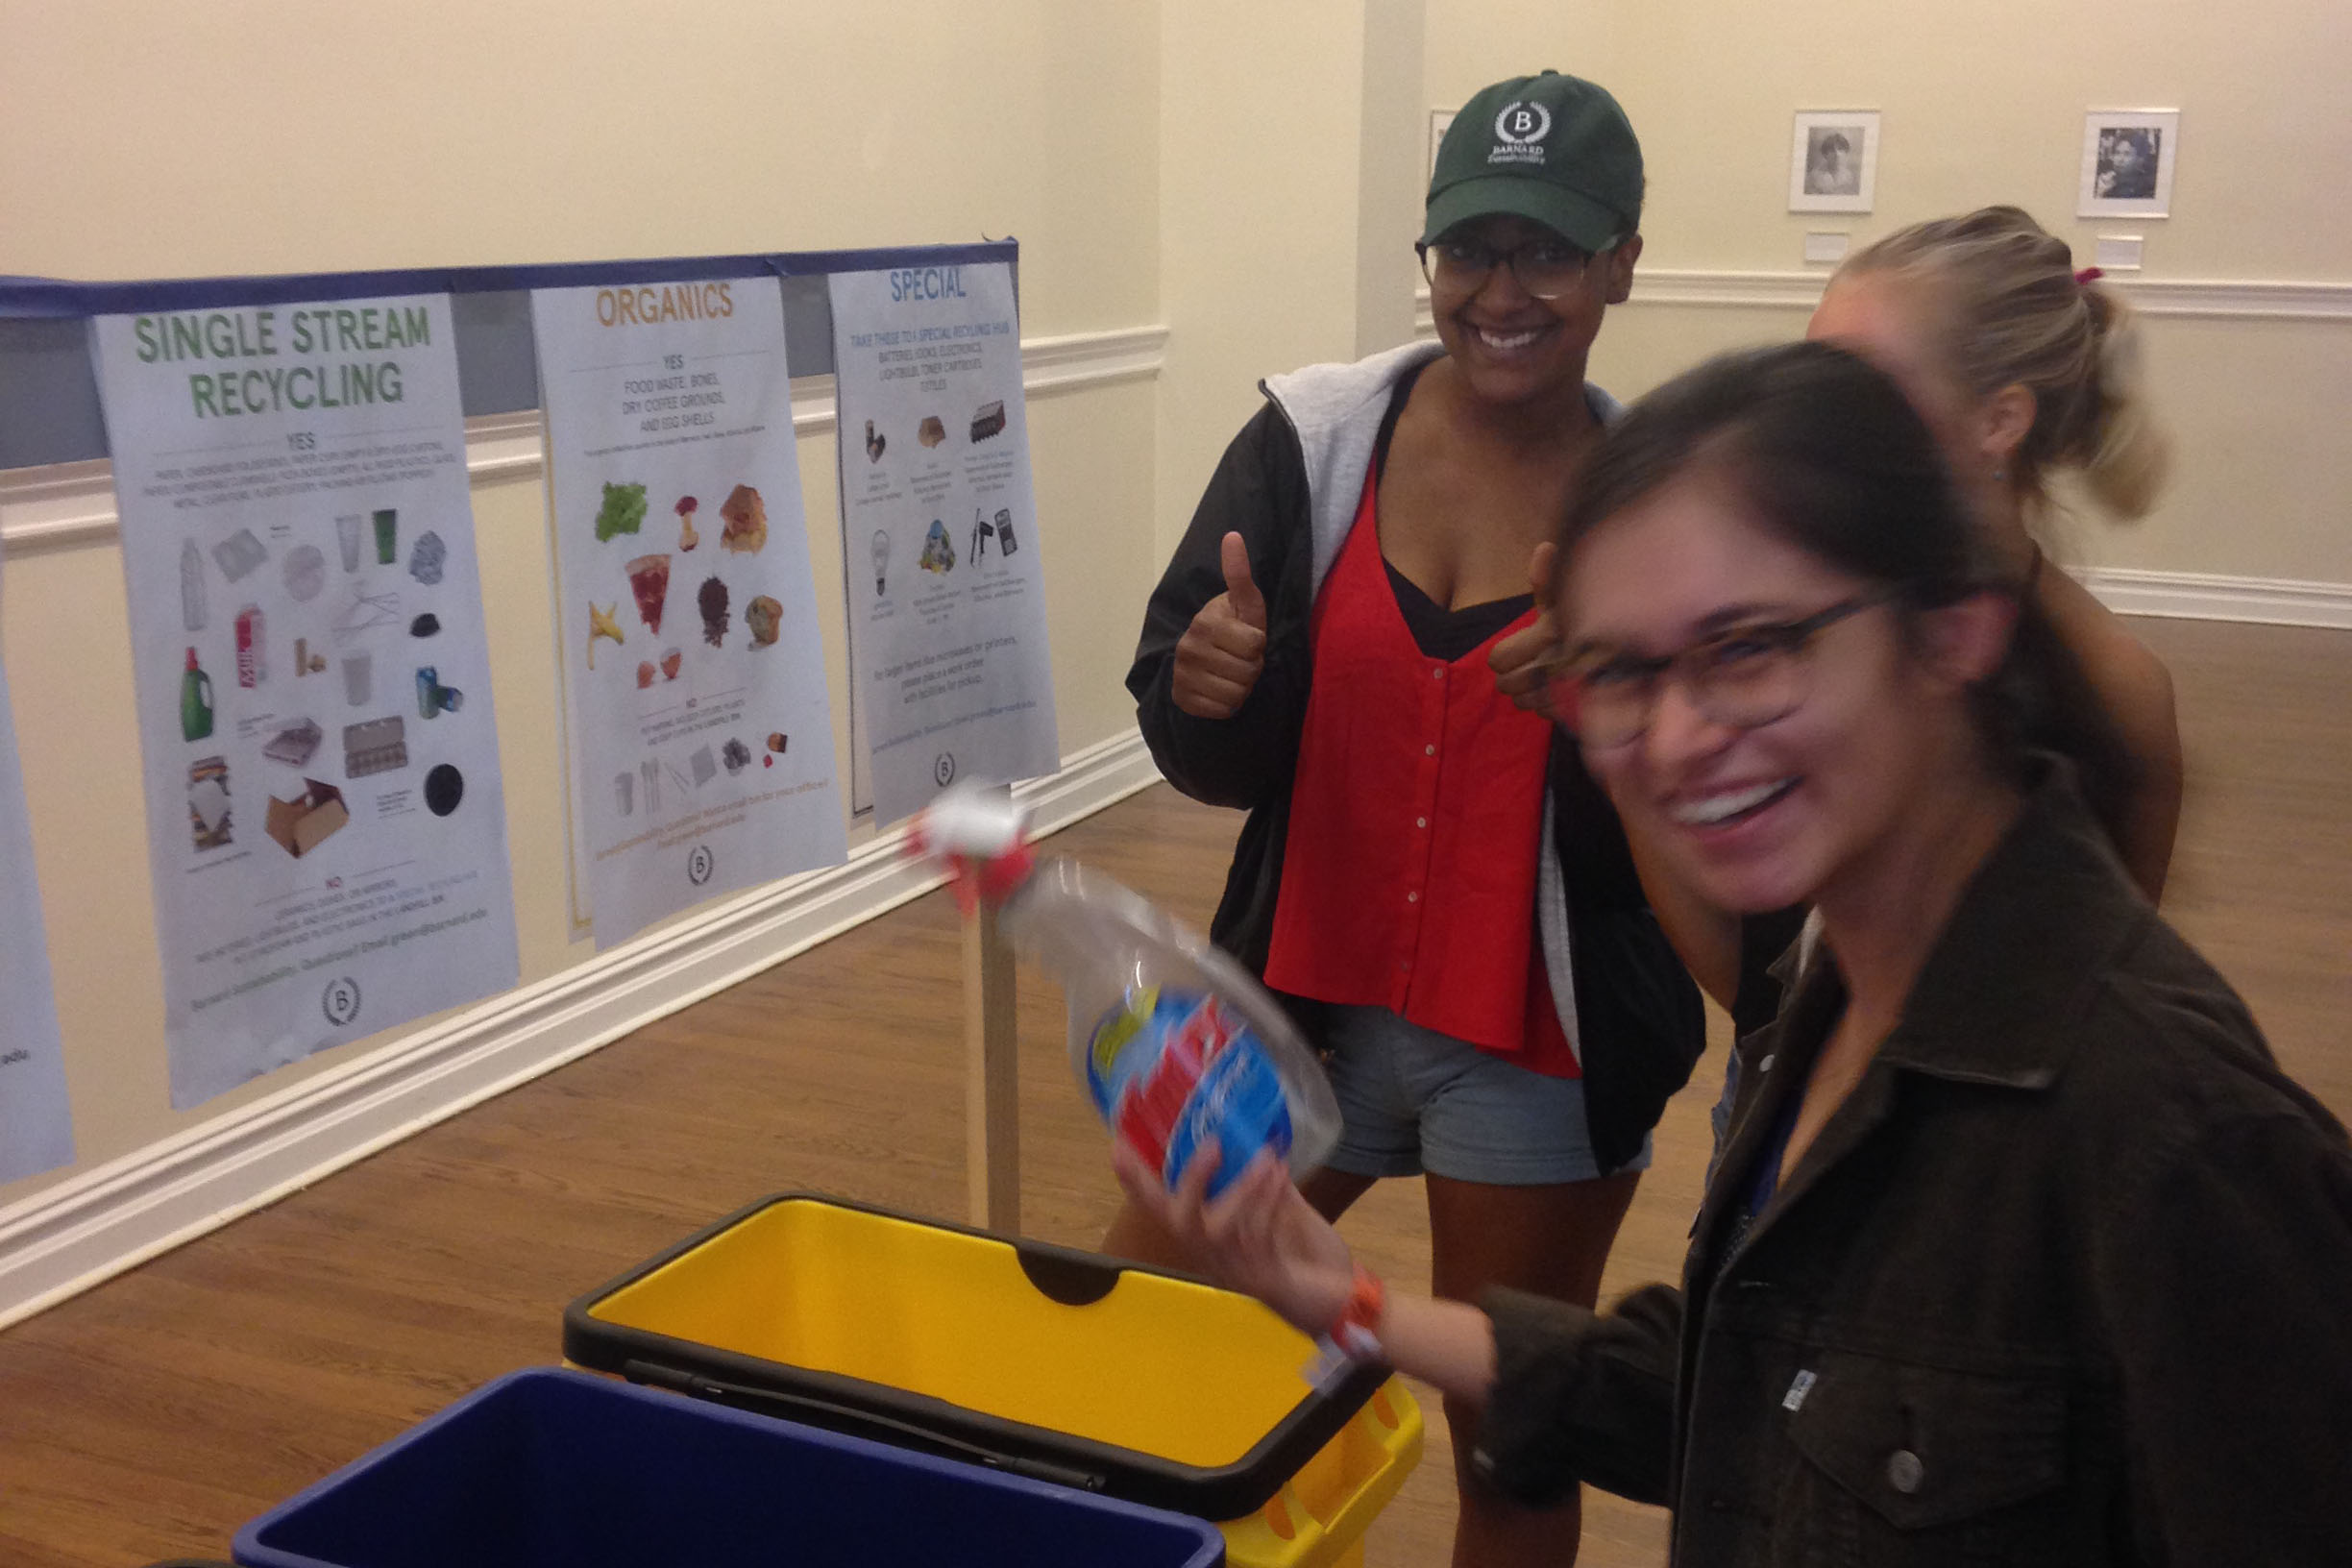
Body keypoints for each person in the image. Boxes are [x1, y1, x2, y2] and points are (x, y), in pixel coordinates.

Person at [1119, 341, 2352, 1565]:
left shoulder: (2178, 1140)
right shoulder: (1839, 1008)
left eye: (1750, 648)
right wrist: (1353, 1304)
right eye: (1619, 673)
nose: (1675, 740)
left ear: (1954, 635)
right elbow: (1762, 1375)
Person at [1118, 70, 1700, 1567]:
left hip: (1535, 1039)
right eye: (1471, 249)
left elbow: (1707, 830)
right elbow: (1196, 739)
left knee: (1512, 1447)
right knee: (1136, 1327)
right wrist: (1211, 689)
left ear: (1621, 262)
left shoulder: (1664, 498)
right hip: (1290, 993)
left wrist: (1613, 708)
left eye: (1549, 253)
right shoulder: (1308, 440)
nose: (1502, 293)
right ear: (1432, 259)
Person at [1663, 207, 2185, 1032]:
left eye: (1860, 390)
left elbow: (2093, 1013)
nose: (1811, 424)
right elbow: (1758, 990)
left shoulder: (2111, 689)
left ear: (1999, 421)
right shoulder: (1804, 623)